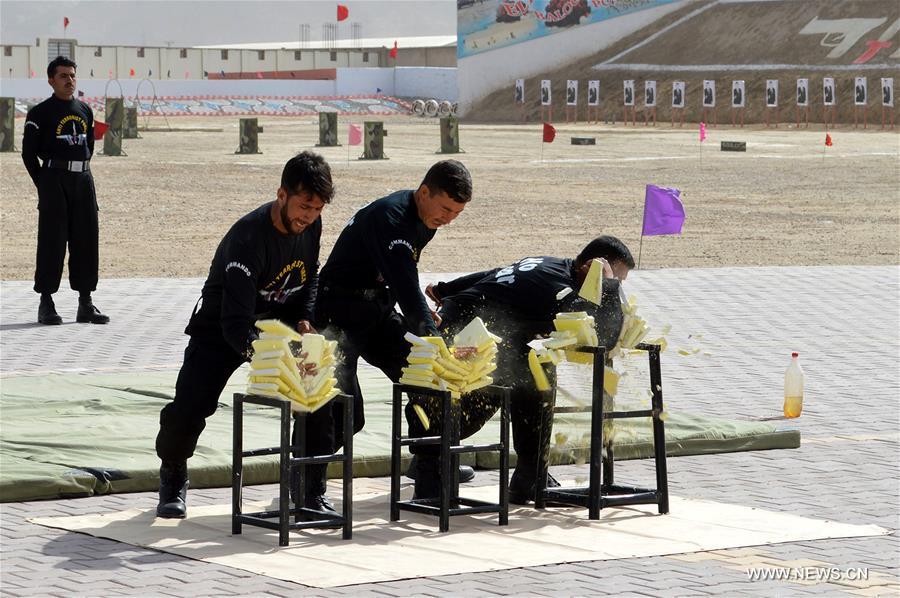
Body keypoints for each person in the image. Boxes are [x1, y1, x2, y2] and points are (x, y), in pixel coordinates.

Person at [154, 151, 334, 518]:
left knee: (317, 392)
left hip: (278, 318)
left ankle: (309, 487)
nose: (308, 217)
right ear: (281, 195)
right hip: (223, 325)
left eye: (316, 210)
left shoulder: (311, 226)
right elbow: (234, 323)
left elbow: (310, 274)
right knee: (189, 407)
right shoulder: (248, 239)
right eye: (303, 206)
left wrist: (304, 319)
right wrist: (270, 359)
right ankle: (173, 476)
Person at [408, 235, 634, 503]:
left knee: (538, 374)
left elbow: (495, 274)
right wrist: (607, 284)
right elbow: (604, 336)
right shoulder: (558, 287)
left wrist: (447, 288)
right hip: (465, 339)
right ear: (588, 267)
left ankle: (530, 475)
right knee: (479, 401)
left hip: (476, 328)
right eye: (613, 278)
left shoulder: (550, 264)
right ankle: (429, 471)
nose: (614, 286)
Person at [308, 160, 473, 513]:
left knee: (426, 375)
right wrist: (434, 339)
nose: (448, 219)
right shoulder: (391, 217)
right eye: (445, 209)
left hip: (377, 310)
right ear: (424, 192)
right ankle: (306, 489)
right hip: (337, 313)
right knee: (341, 413)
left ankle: (430, 472)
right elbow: (405, 283)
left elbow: (399, 277)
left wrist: (426, 334)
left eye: (456, 213)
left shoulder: (425, 218)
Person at [22, 56, 108, 325]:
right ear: (51, 80)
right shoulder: (39, 113)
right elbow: (28, 154)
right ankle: (46, 302)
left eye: (72, 75)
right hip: (53, 180)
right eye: (63, 76)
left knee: (86, 240)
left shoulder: (84, 110)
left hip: (83, 180)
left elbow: (89, 148)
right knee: (52, 241)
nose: (69, 80)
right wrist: (44, 183)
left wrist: (80, 172)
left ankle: (85, 303)